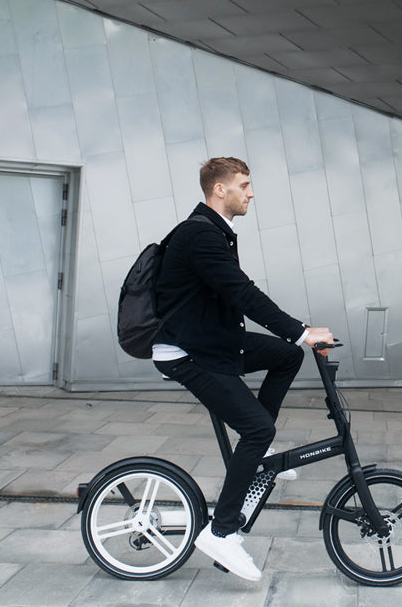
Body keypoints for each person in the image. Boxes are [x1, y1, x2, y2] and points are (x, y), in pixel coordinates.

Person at [152, 156, 333, 581]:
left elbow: (233, 296)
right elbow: (243, 293)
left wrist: (294, 340)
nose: (251, 193)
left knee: (286, 357)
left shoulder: (214, 232)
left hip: (211, 340)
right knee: (256, 428)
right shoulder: (201, 235)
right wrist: (301, 331)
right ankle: (222, 531)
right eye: (245, 185)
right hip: (187, 351)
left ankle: (258, 457)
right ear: (220, 190)